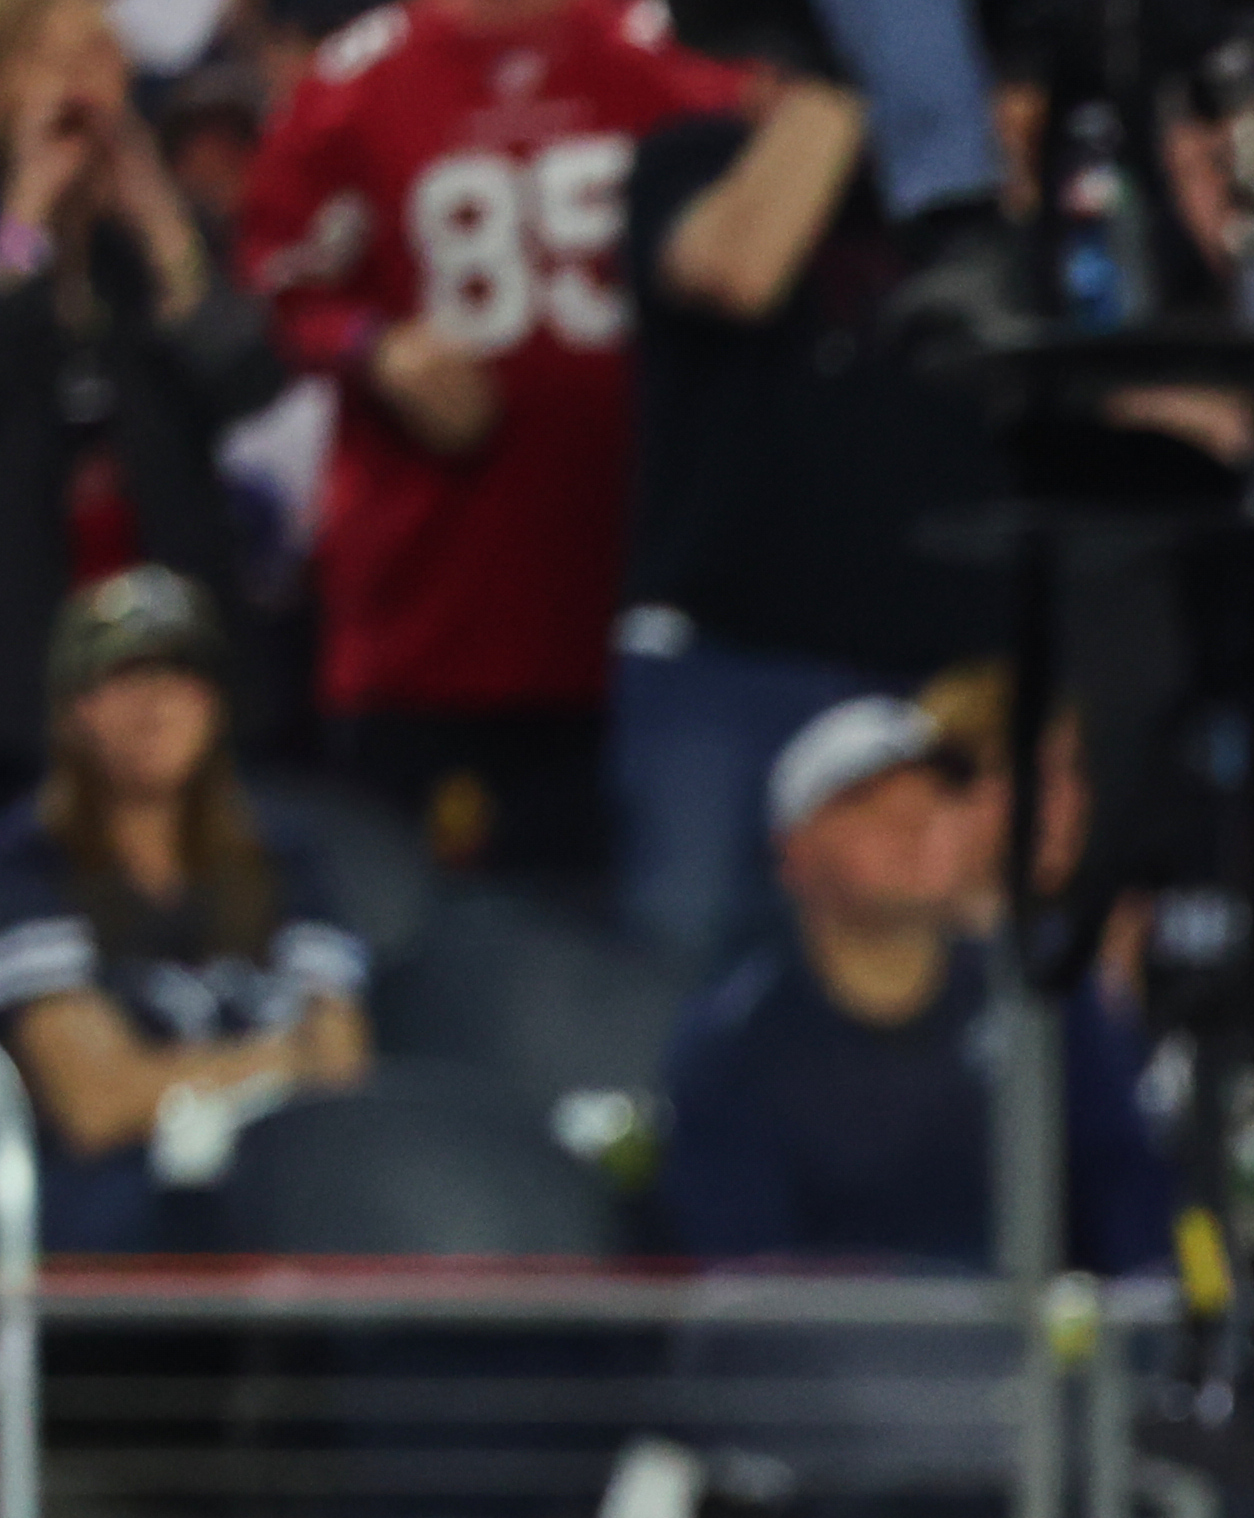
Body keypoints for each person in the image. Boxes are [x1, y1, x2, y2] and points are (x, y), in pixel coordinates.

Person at [238, 0, 749, 874]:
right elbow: (277, 281)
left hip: (650, 598)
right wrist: (376, 349)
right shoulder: (355, 83)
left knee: (650, 957)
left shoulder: (671, 55)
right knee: (420, 951)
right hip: (434, 616)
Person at [614, 54, 1015, 973]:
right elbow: (738, 269)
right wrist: (864, 64)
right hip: (734, 662)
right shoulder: (693, 160)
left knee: (971, 998)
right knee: (684, 978)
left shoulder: (983, 198)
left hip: (953, 675)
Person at [653, 695, 1168, 1271]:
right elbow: (750, 1286)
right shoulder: (733, 1044)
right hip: (830, 1354)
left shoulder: (1047, 999)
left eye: (940, 794)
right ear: (793, 854)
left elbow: (1131, 1215)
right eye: (867, 803)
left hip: (1036, 1356)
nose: (915, 821)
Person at [0, 566, 362, 1249]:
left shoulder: (285, 854)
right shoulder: (28, 864)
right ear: (75, 707)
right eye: (127, 677)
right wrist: (281, 1061)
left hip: (288, 1189)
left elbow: (342, 1067)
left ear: (216, 704)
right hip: (111, 1208)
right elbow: (93, 1104)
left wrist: (165, 1080)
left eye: (182, 676)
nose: (159, 703)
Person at [0, 0, 278, 782]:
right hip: (22, 646)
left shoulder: (170, 229)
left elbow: (249, 383)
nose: (81, 88)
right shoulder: (7, 232)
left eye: (100, 59)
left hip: (174, 640)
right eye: (53, 63)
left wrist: (159, 225)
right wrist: (24, 212)